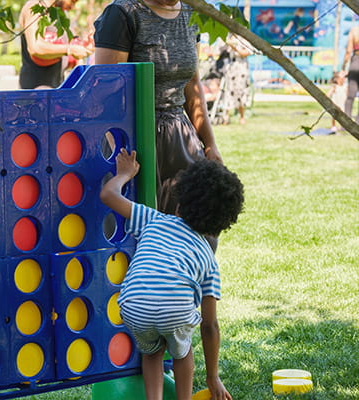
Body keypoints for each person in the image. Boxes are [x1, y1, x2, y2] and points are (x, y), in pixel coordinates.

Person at [100, 149, 243, 400]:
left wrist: (124, 174)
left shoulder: (153, 220)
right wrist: (213, 377)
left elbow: (108, 194)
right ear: (223, 221)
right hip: (175, 312)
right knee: (182, 352)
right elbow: (209, 325)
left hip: (133, 306)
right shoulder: (208, 258)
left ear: (181, 198)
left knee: (152, 353)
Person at [94, 0, 223, 240]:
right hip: (132, 133)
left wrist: (209, 143)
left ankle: (189, 276)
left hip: (179, 132)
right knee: (135, 229)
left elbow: (192, 86)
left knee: (197, 222)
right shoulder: (124, 13)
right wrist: (116, 150)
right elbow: (106, 91)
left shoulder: (190, 12)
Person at [19, 0, 93, 89]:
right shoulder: (35, 7)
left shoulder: (59, 13)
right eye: (72, 1)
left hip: (55, 87)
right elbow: (35, 47)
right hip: (35, 91)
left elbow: (63, 53)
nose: (72, 7)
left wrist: (86, 48)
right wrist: (70, 50)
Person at [221, 34, 252, 125]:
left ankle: (242, 116)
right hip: (230, 68)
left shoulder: (246, 39)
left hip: (241, 68)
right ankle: (226, 117)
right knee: (228, 91)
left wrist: (234, 47)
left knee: (241, 92)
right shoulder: (228, 37)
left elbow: (245, 53)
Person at [342, 25, 359, 123]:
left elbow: (348, 51)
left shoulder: (355, 30)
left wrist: (343, 67)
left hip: (355, 62)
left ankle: (347, 121)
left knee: (350, 96)